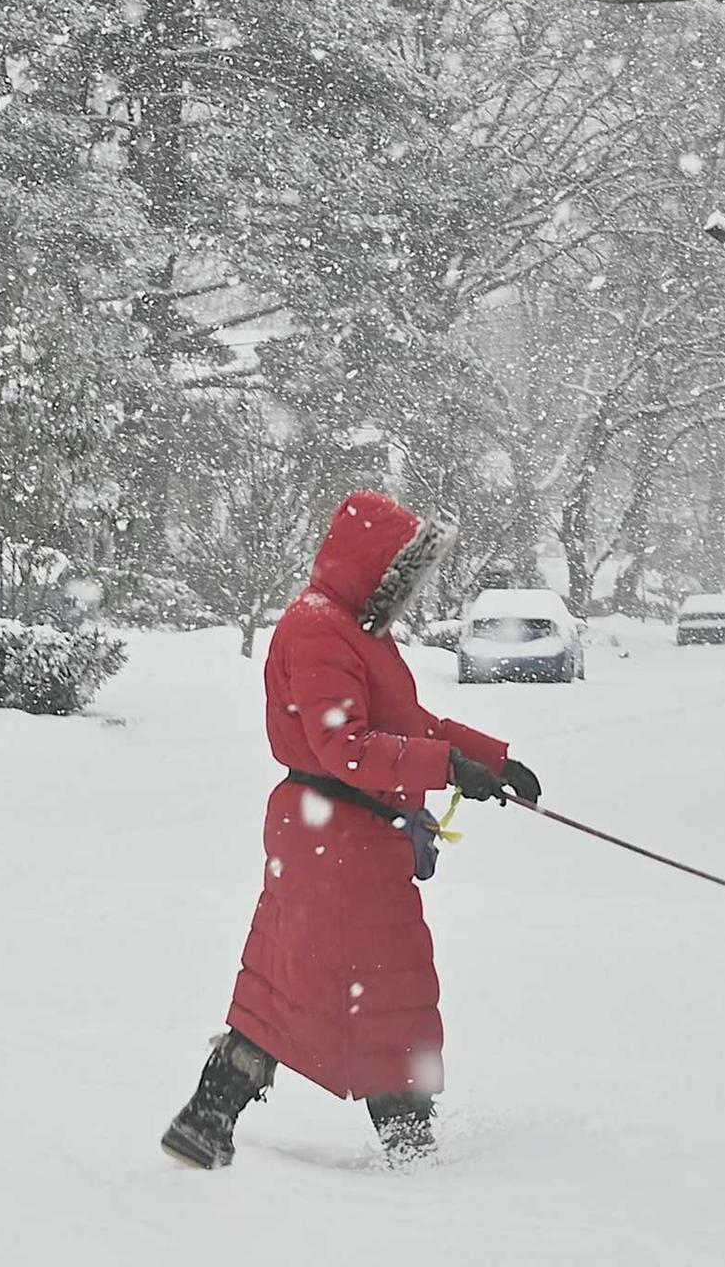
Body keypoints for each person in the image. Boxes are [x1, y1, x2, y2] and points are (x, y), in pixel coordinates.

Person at [161, 491, 540, 1173]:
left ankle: (209, 1117)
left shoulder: (353, 631)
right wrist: (448, 766)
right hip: (334, 839)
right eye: (403, 573)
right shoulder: (316, 630)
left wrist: (490, 759)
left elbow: (409, 723)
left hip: (346, 840)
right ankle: (406, 1142)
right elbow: (348, 747)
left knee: (311, 981)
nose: (410, 589)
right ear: (373, 567)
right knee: (372, 986)